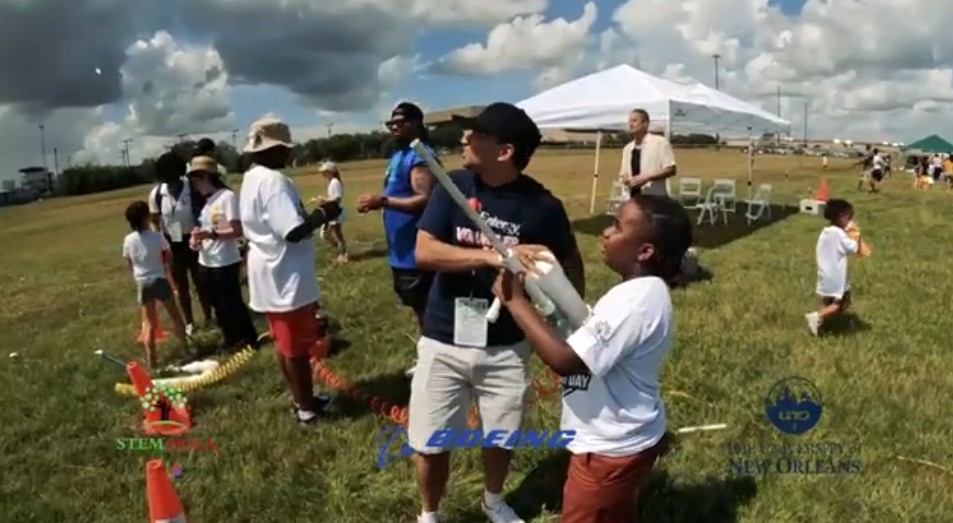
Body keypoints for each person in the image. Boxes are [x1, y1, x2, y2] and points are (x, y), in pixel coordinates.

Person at [410, 102, 586, 523]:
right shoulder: (452, 184)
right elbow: (424, 251)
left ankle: (493, 500)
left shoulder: (543, 206)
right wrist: (491, 256)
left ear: (504, 151)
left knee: (501, 434)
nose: (464, 140)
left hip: (507, 345)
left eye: (476, 135)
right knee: (431, 441)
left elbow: (568, 262)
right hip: (444, 337)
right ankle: (429, 513)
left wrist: (571, 316)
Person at [492, 195, 692, 523]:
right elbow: (587, 333)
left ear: (645, 251)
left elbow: (566, 361)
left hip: (608, 448)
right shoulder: (640, 291)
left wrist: (515, 303)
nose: (606, 233)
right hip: (623, 439)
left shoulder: (634, 301)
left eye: (617, 226)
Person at [238, 116, 342, 425]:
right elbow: (293, 231)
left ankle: (302, 399)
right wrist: (325, 213)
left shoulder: (251, 177)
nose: (287, 154)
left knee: (284, 344)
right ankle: (307, 410)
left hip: (269, 269)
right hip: (284, 272)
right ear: (272, 150)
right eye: (284, 149)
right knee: (295, 348)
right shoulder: (273, 181)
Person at [356, 102, 437, 376]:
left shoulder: (419, 157)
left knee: (427, 308)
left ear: (416, 123)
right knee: (418, 307)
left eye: (400, 123)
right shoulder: (399, 155)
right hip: (401, 251)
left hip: (418, 250)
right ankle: (430, 358)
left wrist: (384, 201)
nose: (393, 127)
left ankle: (436, 364)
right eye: (390, 123)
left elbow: (424, 200)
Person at [187, 155, 259, 352]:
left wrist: (210, 234)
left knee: (231, 302)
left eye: (196, 179)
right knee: (216, 303)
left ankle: (248, 337)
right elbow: (209, 229)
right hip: (206, 260)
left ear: (206, 177)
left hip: (225, 261)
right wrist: (196, 240)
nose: (194, 185)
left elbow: (237, 230)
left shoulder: (227, 197)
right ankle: (230, 338)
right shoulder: (207, 202)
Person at [148, 152, 214, 335]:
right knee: (181, 285)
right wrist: (160, 240)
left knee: (201, 282)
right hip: (173, 243)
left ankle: (209, 317)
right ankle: (190, 322)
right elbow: (154, 219)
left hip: (194, 240)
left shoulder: (191, 187)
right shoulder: (157, 194)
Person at [123, 201, 189, 368]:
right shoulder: (157, 236)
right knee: (175, 316)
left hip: (142, 282)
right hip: (159, 278)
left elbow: (129, 261)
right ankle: (186, 349)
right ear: (146, 218)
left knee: (150, 323)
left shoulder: (129, 240)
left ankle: (152, 360)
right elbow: (168, 256)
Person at [805, 199, 866, 337]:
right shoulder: (839, 234)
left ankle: (819, 327)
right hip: (836, 276)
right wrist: (856, 234)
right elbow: (853, 248)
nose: (850, 220)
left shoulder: (825, 232)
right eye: (849, 218)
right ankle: (816, 316)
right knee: (841, 303)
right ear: (841, 217)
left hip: (824, 273)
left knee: (828, 302)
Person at [619, 109, 677, 198]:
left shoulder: (660, 142)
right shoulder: (627, 148)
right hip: (632, 200)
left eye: (634, 121)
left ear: (645, 124)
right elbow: (623, 174)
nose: (630, 124)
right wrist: (626, 179)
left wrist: (647, 178)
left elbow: (671, 169)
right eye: (629, 121)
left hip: (655, 199)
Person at [311, 161, 349, 263]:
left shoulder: (335, 182)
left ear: (330, 171)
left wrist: (322, 200)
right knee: (328, 233)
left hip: (336, 212)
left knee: (334, 234)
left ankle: (343, 253)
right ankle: (341, 251)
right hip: (333, 211)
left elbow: (337, 199)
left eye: (324, 171)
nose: (322, 174)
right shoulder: (333, 182)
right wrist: (322, 199)